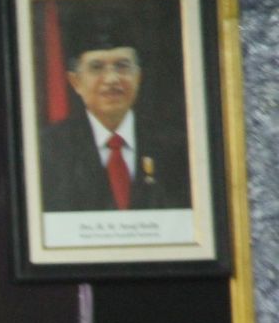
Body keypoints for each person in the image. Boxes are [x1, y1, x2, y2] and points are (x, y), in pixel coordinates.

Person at [39, 14, 191, 212]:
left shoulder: (176, 147)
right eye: (96, 67)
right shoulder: (48, 150)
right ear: (75, 82)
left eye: (122, 66)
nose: (111, 79)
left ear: (139, 76)